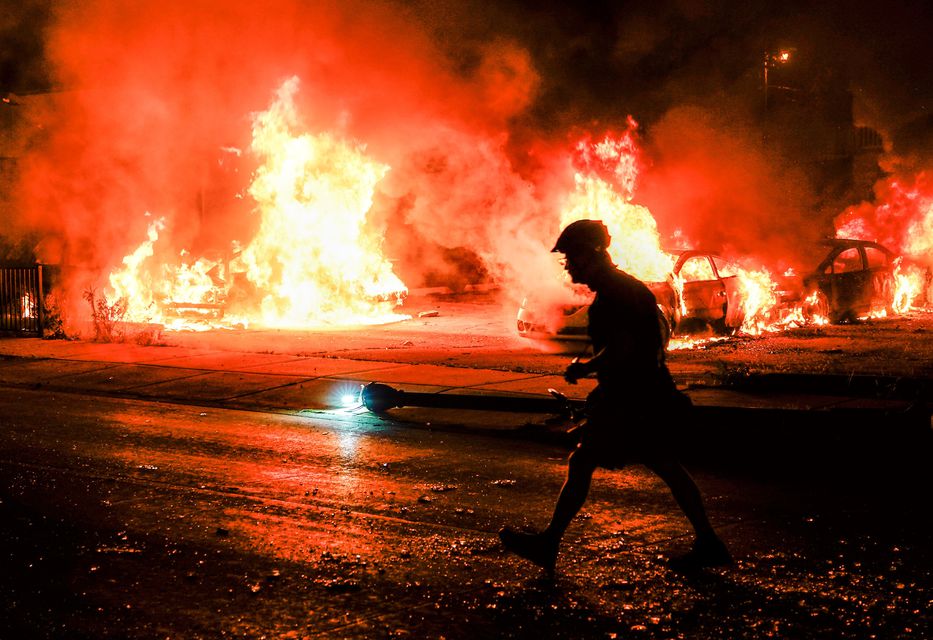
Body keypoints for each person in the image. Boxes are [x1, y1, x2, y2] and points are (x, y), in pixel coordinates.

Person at [499, 219, 731, 575]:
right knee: (663, 465)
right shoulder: (624, 289)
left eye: (571, 258)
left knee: (587, 463)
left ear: (592, 255)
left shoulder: (616, 295)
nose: (568, 266)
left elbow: (623, 348)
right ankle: (709, 542)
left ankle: (548, 544)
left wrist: (585, 367)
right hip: (640, 393)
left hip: (632, 399)